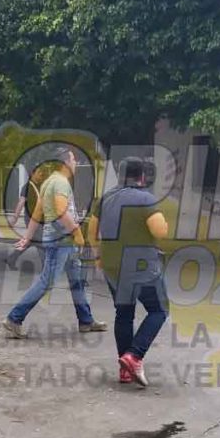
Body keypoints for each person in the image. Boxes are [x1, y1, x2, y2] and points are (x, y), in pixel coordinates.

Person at [3, 150, 107, 338]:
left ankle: (86, 321)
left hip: (63, 241)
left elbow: (36, 212)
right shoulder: (60, 182)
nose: (75, 162)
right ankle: (14, 318)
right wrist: (77, 233)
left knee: (77, 281)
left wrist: (27, 236)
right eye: (73, 159)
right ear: (66, 162)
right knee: (46, 282)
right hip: (62, 241)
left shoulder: (49, 182)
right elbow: (60, 211)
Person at [88, 158, 169, 386]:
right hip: (141, 268)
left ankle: (125, 369)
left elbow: (92, 231)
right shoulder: (145, 198)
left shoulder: (104, 199)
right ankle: (134, 355)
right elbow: (159, 231)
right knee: (159, 309)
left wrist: (97, 256)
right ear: (142, 177)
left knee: (124, 313)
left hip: (113, 266)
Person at [6, 165, 48, 269]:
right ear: (32, 174)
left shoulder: (37, 185)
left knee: (29, 241)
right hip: (31, 219)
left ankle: (11, 258)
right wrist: (15, 218)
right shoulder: (27, 187)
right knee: (40, 242)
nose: (41, 174)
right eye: (38, 172)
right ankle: (45, 269)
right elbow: (21, 202)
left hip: (38, 219)